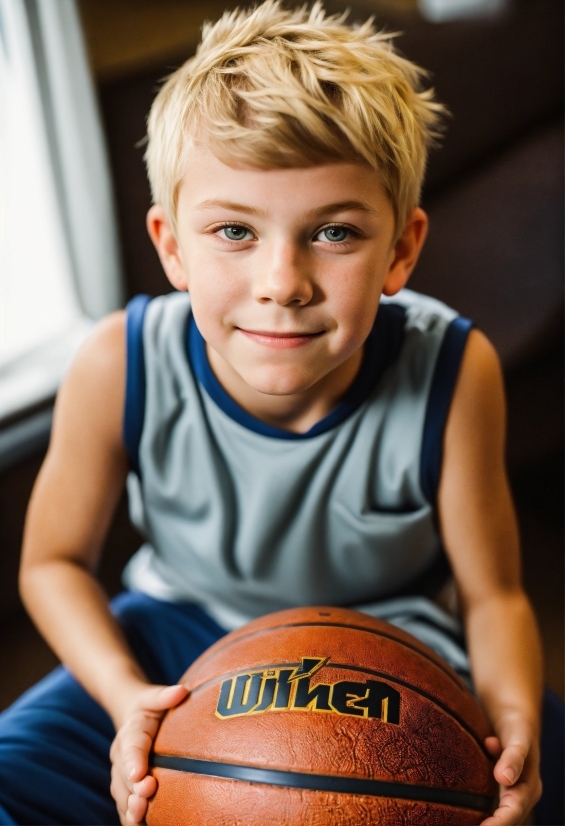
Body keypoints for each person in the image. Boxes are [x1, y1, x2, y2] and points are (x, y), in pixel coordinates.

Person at [0, 2, 552, 824]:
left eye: (332, 233)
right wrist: (125, 700)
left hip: (390, 653)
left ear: (401, 248)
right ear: (171, 245)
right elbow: (51, 565)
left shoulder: (451, 368)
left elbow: (494, 595)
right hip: (173, 634)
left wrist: (515, 719)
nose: (281, 281)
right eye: (233, 231)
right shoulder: (122, 360)